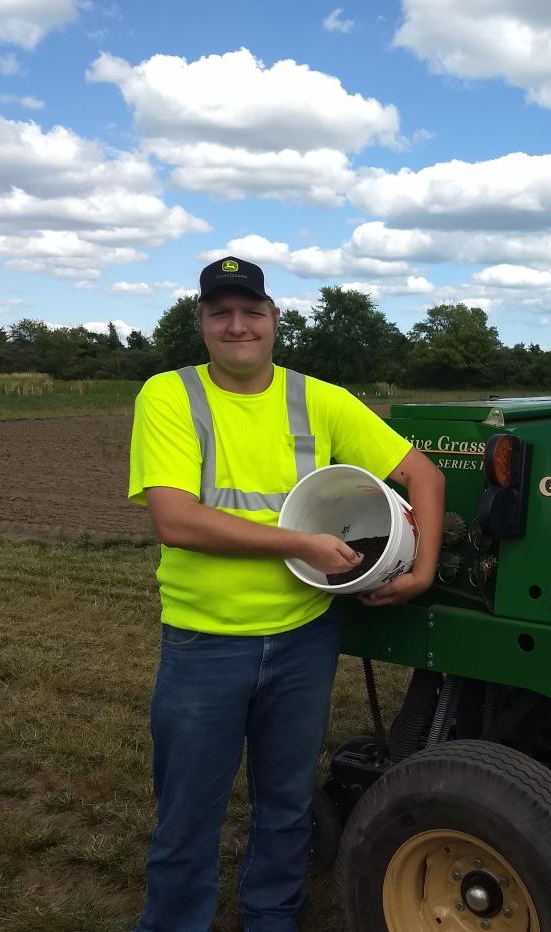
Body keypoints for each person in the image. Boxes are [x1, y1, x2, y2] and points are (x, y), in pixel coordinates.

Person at [127, 255, 445, 931]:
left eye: (251, 312)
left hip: (304, 638)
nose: (237, 325)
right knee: (189, 812)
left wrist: (422, 572)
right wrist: (299, 543)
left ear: (274, 320)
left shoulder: (319, 398)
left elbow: (423, 475)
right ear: (203, 323)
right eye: (221, 313)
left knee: (287, 802)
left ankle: (273, 917)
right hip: (205, 642)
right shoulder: (169, 395)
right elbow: (175, 519)